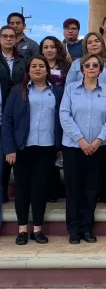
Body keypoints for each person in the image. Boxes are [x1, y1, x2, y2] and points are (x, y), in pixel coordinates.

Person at [1, 55, 64, 245]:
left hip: (47, 147)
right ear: (28, 71)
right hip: (22, 148)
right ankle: (22, 229)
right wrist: (9, 149)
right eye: (33, 66)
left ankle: (37, 229)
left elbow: (62, 119)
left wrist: (60, 146)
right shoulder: (17, 91)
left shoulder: (57, 92)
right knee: (22, 189)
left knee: (39, 189)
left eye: (41, 66)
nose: (37, 69)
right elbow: (7, 122)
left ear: (47, 70)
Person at [59, 53, 106, 244]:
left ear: (100, 70)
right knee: (74, 189)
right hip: (74, 147)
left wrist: (99, 140)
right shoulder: (70, 89)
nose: (91, 68)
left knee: (92, 189)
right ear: (82, 69)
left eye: (95, 65)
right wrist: (81, 140)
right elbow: (64, 115)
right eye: (87, 65)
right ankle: (74, 230)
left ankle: (87, 228)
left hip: (98, 147)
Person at [66, 32, 106, 204]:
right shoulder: (78, 64)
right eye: (89, 42)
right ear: (85, 46)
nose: (93, 44)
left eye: (96, 41)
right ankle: (86, 194)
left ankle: (105, 194)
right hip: (81, 118)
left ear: (102, 44)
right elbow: (69, 85)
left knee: (105, 156)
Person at [39, 36, 70, 202]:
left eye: (52, 47)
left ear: (58, 49)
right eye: (46, 47)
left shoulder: (66, 68)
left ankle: (56, 191)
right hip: (41, 115)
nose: (49, 50)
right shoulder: (36, 66)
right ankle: (46, 192)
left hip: (60, 115)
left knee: (57, 152)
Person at [1, 25, 26, 203]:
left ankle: (21, 198)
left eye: (12, 36)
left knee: (16, 157)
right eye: (5, 36)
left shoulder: (22, 59)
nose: (9, 39)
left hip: (16, 114)